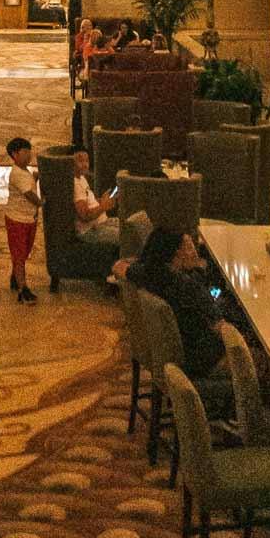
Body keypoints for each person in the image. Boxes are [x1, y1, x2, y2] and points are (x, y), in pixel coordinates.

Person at [122, 228, 227, 382]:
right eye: (190, 247)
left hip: (181, 354)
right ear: (177, 253)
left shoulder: (152, 275)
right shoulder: (189, 287)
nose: (196, 254)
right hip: (203, 360)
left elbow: (120, 266)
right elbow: (221, 329)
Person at [4, 137, 42, 304]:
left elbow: (29, 185)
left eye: (29, 151)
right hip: (17, 219)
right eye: (25, 152)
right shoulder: (17, 174)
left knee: (24, 251)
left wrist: (36, 178)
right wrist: (43, 203)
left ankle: (15, 278)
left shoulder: (24, 171)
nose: (29, 155)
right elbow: (29, 195)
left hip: (29, 219)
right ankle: (23, 289)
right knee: (19, 254)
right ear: (15, 154)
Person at [70, 148, 118, 252]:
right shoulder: (74, 184)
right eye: (80, 161)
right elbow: (85, 216)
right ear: (71, 162)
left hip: (101, 222)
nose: (85, 164)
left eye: (87, 161)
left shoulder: (81, 178)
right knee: (126, 238)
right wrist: (103, 207)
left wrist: (101, 200)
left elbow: (88, 202)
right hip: (90, 230)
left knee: (128, 226)